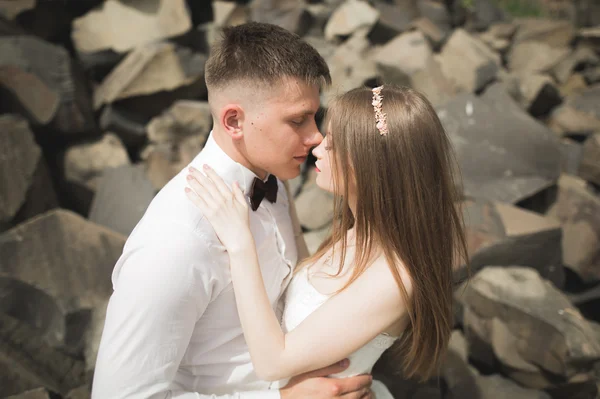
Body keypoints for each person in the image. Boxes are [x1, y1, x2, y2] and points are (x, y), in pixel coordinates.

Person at [91, 22, 375, 399]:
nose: (317, 137)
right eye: (297, 120)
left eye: (314, 116)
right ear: (234, 121)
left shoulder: (276, 179)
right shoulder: (176, 240)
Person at [184, 85, 469, 396]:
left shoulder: (393, 276)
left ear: (370, 166)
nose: (317, 148)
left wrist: (240, 243)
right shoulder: (356, 231)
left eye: (332, 145)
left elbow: (273, 363)